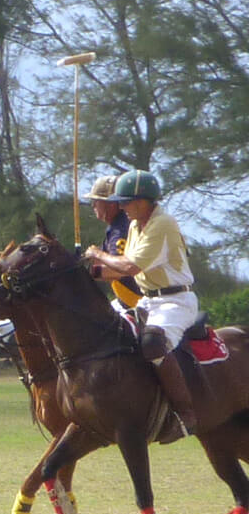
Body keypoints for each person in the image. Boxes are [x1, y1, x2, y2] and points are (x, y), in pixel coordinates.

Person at [83, 169, 199, 438]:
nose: (122, 207)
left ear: (143, 201)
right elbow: (120, 270)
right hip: (148, 300)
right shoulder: (136, 224)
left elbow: (130, 266)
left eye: (125, 201)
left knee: (153, 343)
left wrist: (97, 254)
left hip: (175, 301)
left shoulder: (162, 223)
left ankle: (185, 414)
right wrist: (88, 272)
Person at [83, 174, 141, 310]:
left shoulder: (121, 229)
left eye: (96, 201)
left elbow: (119, 270)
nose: (93, 206)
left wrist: (88, 272)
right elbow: (102, 262)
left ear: (111, 203)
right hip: (125, 300)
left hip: (139, 302)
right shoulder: (115, 226)